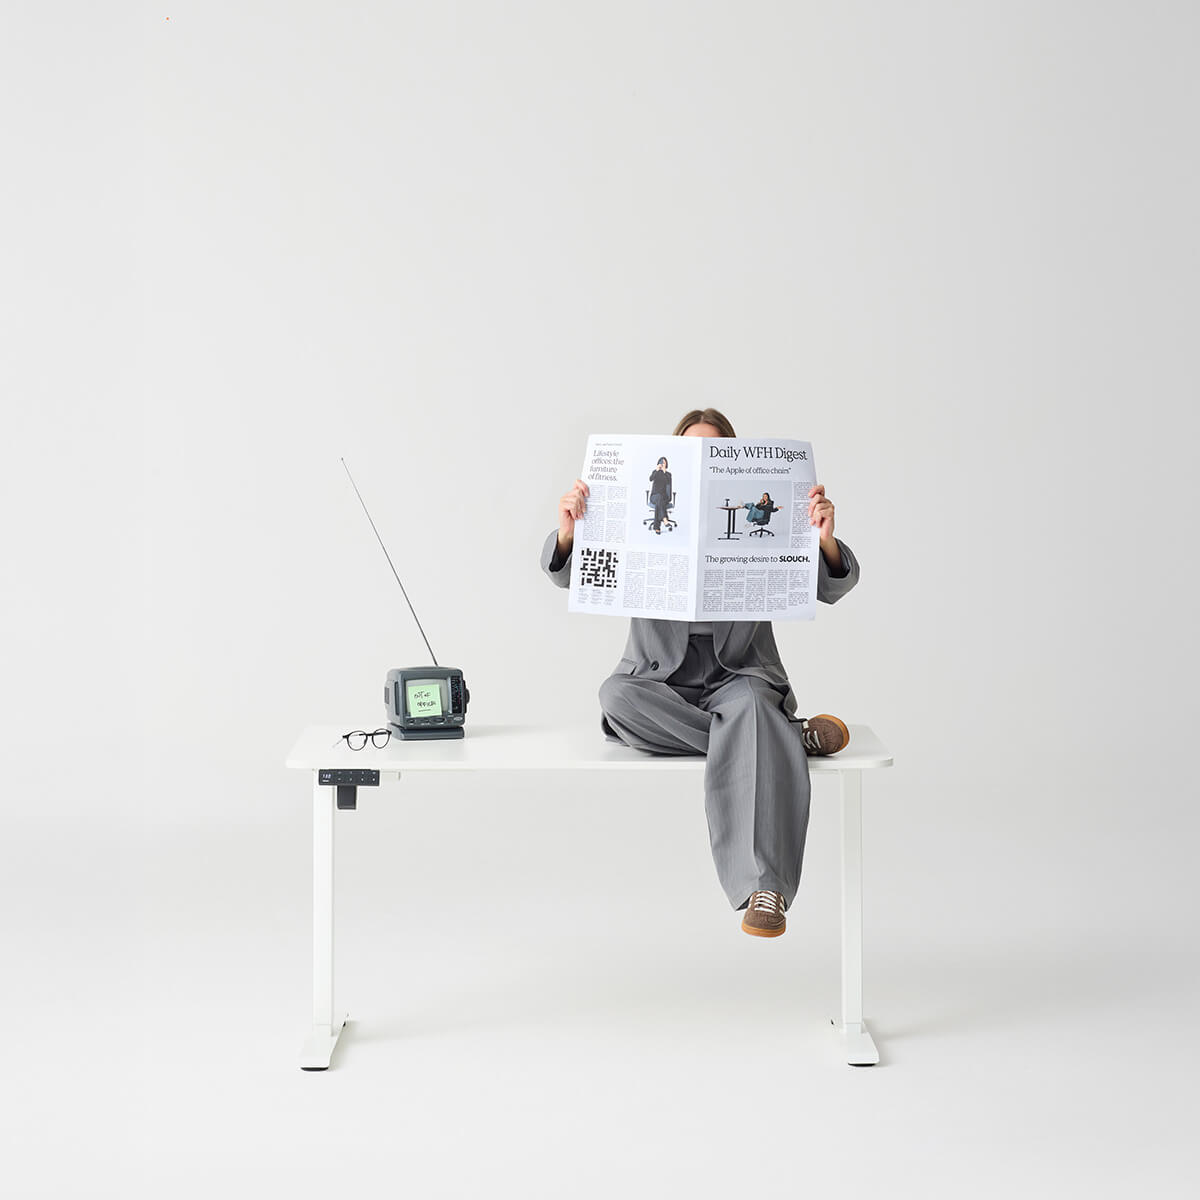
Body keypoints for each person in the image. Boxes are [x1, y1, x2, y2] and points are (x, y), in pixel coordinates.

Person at [540, 407, 860, 938]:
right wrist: (570, 530)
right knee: (614, 697)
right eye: (691, 450)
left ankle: (766, 888)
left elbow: (832, 587)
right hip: (660, 679)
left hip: (739, 673)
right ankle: (782, 739)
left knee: (754, 705)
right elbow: (569, 575)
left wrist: (823, 537)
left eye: (713, 451)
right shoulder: (651, 492)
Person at [648, 457, 673, 532]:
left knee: (659, 501)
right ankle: (665, 519)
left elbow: (668, 482)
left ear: (666, 464)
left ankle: (656, 527)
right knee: (659, 498)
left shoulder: (668, 474)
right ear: (658, 463)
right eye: (661, 462)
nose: (662, 464)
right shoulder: (655, 472)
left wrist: (664, 471)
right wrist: (657, 470)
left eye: (664, 462)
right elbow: (650, 479)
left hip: (664, 497)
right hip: (654, 496)